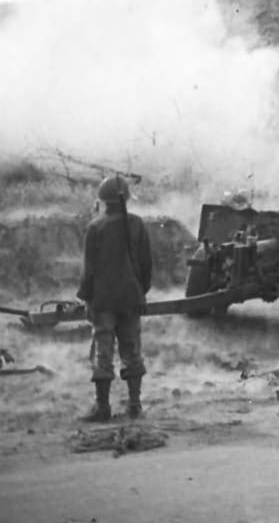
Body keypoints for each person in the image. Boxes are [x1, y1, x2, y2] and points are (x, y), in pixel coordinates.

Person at [77, 174, 153, 422]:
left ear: (103, 201)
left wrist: (87, 299)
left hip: (104, 301)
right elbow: (146, 265)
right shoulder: (138, 224)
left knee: (103, 351)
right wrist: (140, 292)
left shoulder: (95, 228)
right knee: (132, 350)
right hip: (131, 299)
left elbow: (88, 271)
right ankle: (134, 406)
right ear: (127, 199)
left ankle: (102, 408)